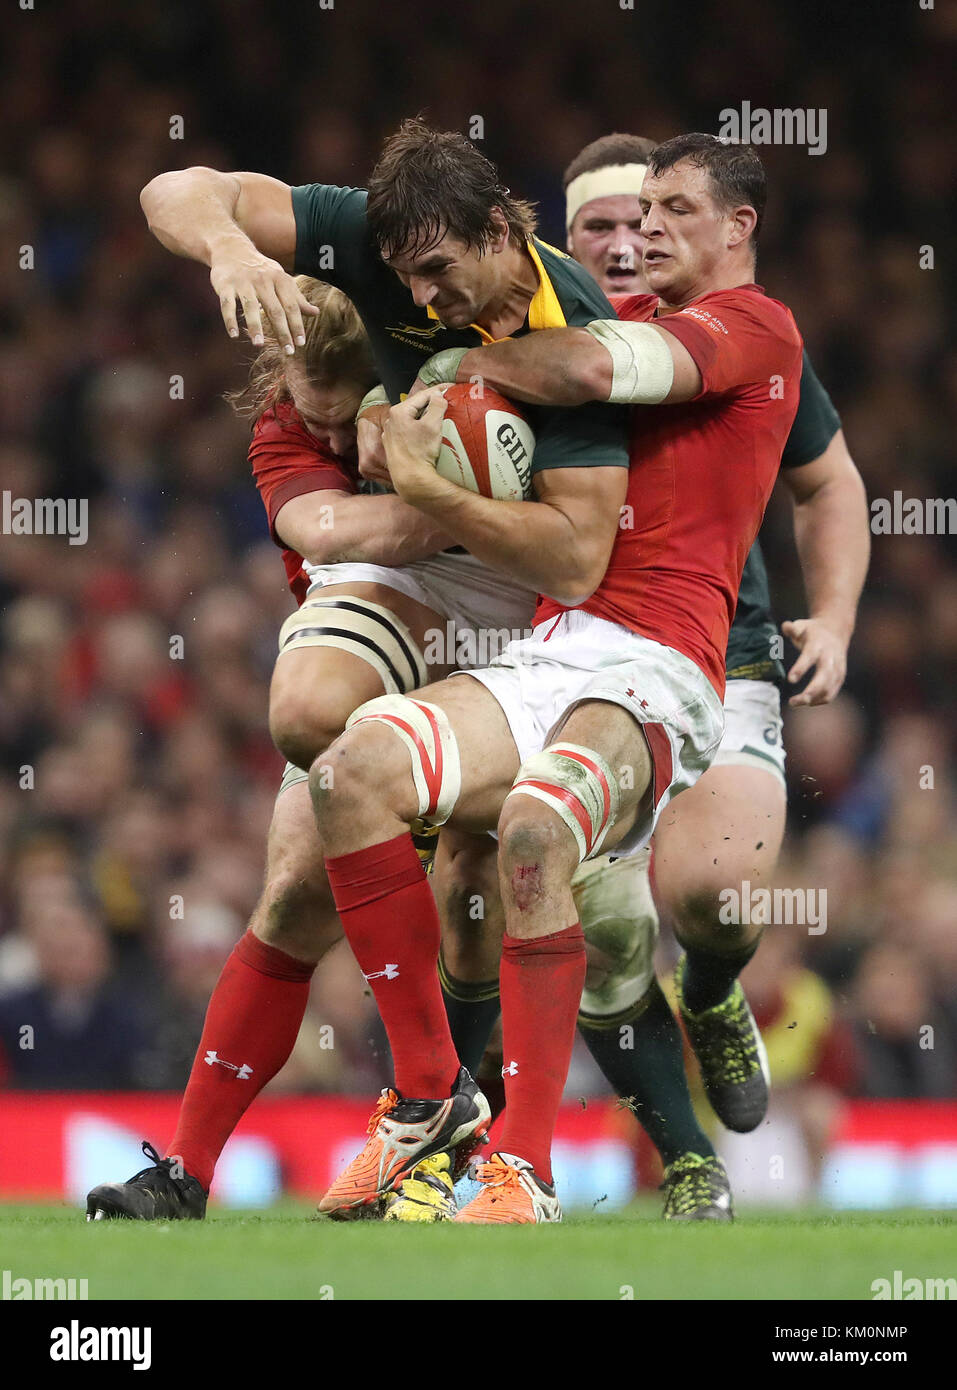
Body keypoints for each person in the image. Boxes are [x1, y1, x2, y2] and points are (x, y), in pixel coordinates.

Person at [311, 133, 803, 1223]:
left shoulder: (749, 328)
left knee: (552, 833)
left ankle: (525, 1166)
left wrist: (456, 365)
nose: (647, 228)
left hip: (665, 658)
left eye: (673, 207)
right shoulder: (598, 322)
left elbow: (582, 371)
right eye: (632, 211)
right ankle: (429, 1100)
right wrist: (401, 418)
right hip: (547, 645)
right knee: (350, 775)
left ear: (738, 227)